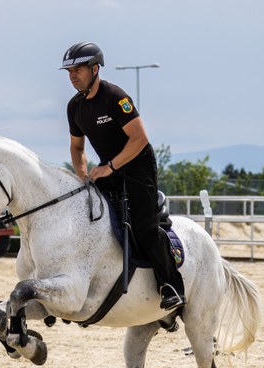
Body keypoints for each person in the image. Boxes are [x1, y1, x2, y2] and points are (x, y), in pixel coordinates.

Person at [60, 41, 186, 310]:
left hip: (138, 170)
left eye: (78, 70)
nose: (72, 76)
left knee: (144, 226)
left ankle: (171, 285)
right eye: (69, 71)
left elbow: (139, 138)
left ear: (95, 69)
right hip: (109, 170)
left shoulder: (116, 97)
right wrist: (82, 176)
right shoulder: (74, 107)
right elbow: (76, 146)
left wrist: (110, 168)